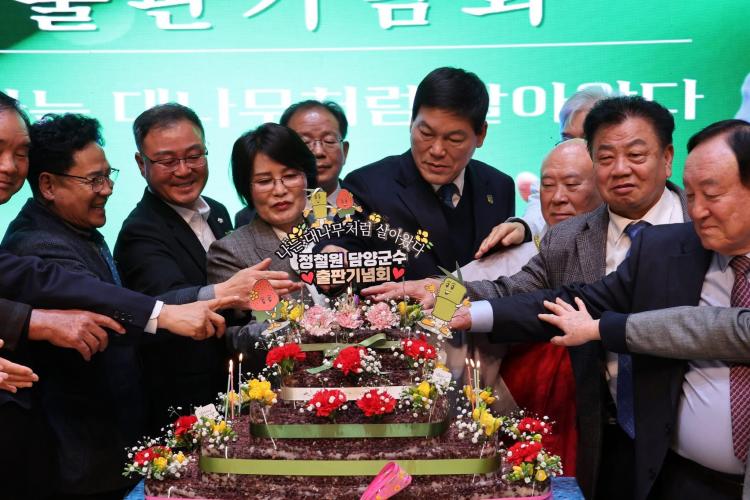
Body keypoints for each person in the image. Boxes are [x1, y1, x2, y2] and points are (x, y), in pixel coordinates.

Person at [366, 95, 686, 499]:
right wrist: (442, 290)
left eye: (636, 155)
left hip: (693, 441)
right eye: (606, 157)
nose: (620, 169)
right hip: (606, 433)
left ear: (667, 158)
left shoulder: (708, 227)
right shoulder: (568, 238)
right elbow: (512, 289)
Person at [455, 119, 750, 500]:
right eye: (692, 196)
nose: (698, 211)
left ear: (666, 158)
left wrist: (601, 328)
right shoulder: (669, 248)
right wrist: (469, 311)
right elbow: (576, 299)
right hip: (675, 474)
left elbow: (720, 328)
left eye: (711, 194)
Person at [0, 92, 233, 499]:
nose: (107, 189)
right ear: (49, 185)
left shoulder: (74, 227)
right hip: (81, 455)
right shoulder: (39, 242)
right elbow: (94, 301)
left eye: (108, 176)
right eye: (93, 180)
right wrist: (179, 309)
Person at [114, 103, 296, 432]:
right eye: (168, 161)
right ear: (142, 164)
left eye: (194, 155)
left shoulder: (218, 211)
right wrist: (225, 292)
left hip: (234, 388)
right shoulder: (139, 231)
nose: (184, 170)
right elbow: (158, 306)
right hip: (184, 401)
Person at [457, 138, 602, 471]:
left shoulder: (622, 248)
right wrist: (435, 290)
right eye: (548, 186)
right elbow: (472, 286)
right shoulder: (514, 252)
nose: (558, 197)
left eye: (572, 185)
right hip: (508, 407)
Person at [336, 67, 518, 280]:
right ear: (411, 123)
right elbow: (341, 246)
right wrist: (334, 256)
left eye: (454, 139)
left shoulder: (499, 186)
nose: (437, 150)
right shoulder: (366, 186)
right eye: (426, 133)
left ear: (481, 134)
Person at [208, 123, 317, 356]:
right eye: (265, 181)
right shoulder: (230, 251)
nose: (280, 190)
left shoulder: (339, 233)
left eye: (290, 176)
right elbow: (233, 337)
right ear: (247, 189)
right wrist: (306, 329)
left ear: (306, 178)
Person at [478, 86, 613, 256]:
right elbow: (535, 217)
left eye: (585, 140)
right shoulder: (550, 180)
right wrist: (522, 227)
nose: (573, 147)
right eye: (566, 139)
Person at [235, 99, 349, 227]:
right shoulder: (247, 218)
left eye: (329, 140)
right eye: (304, 142)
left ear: (345, 151)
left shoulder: (364, 202)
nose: (318, 152)